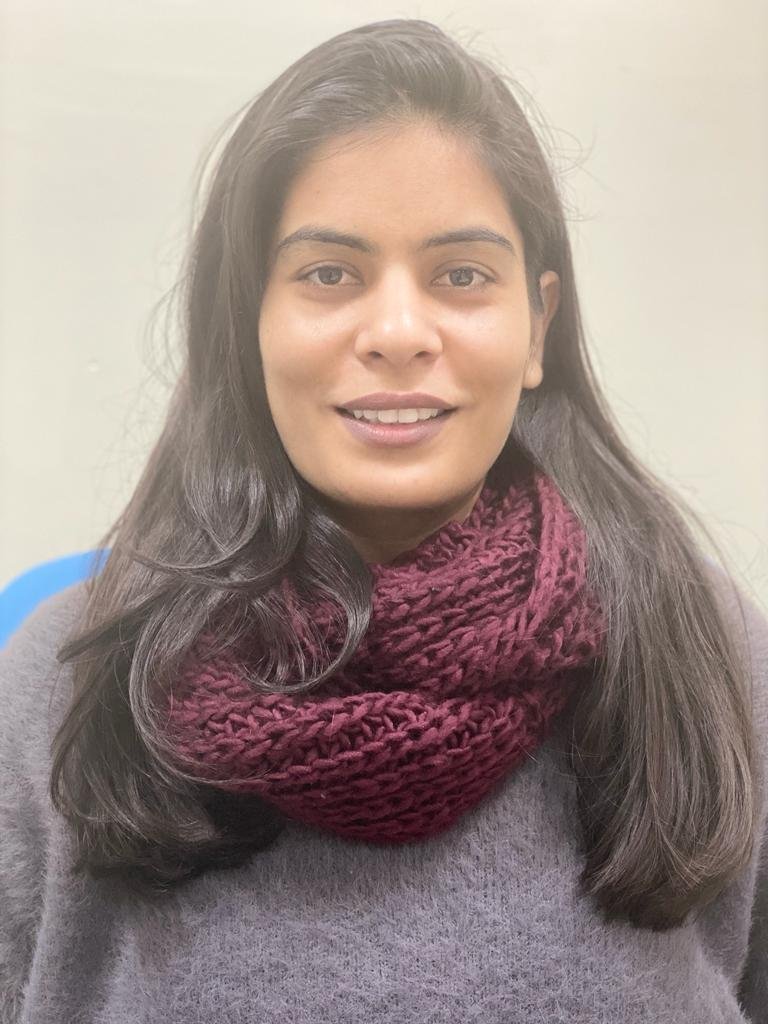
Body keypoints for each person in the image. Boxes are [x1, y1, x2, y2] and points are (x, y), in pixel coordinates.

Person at [1, 18, 766, 1024]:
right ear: (247, 322)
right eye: (329, 273)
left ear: (538, 324)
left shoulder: (710, 655)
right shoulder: (65, 685)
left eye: (461, 275)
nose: (399, 334)